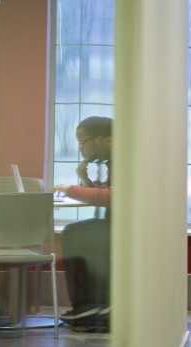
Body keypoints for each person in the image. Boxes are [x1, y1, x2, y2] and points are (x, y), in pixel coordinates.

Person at [50, 116, 112, 332]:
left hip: (131, 229)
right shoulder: (113, 161)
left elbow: (112, 197)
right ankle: (87, 305)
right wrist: (83, 180)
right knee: (72, 231)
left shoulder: (126, 160)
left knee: (80, 236)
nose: (81, 149)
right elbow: (103, 192)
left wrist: (70, 189)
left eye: (83, 142)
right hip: (118, 226)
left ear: (107, 140)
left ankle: (97, 304)